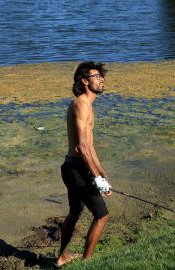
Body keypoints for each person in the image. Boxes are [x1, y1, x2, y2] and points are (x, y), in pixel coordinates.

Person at [56, 62, 112, 267]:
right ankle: (87, 263)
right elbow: (81, 147)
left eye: (101, 76)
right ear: (85, 81)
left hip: (74, 168)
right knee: (102, 216)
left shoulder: (87, 105)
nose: (101, 79)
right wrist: (96, 178)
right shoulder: (81, 104)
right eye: (96, 76)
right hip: (77, 170)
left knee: (75, 212)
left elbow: (90, 146)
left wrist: (102, 174)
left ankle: (61, 257)